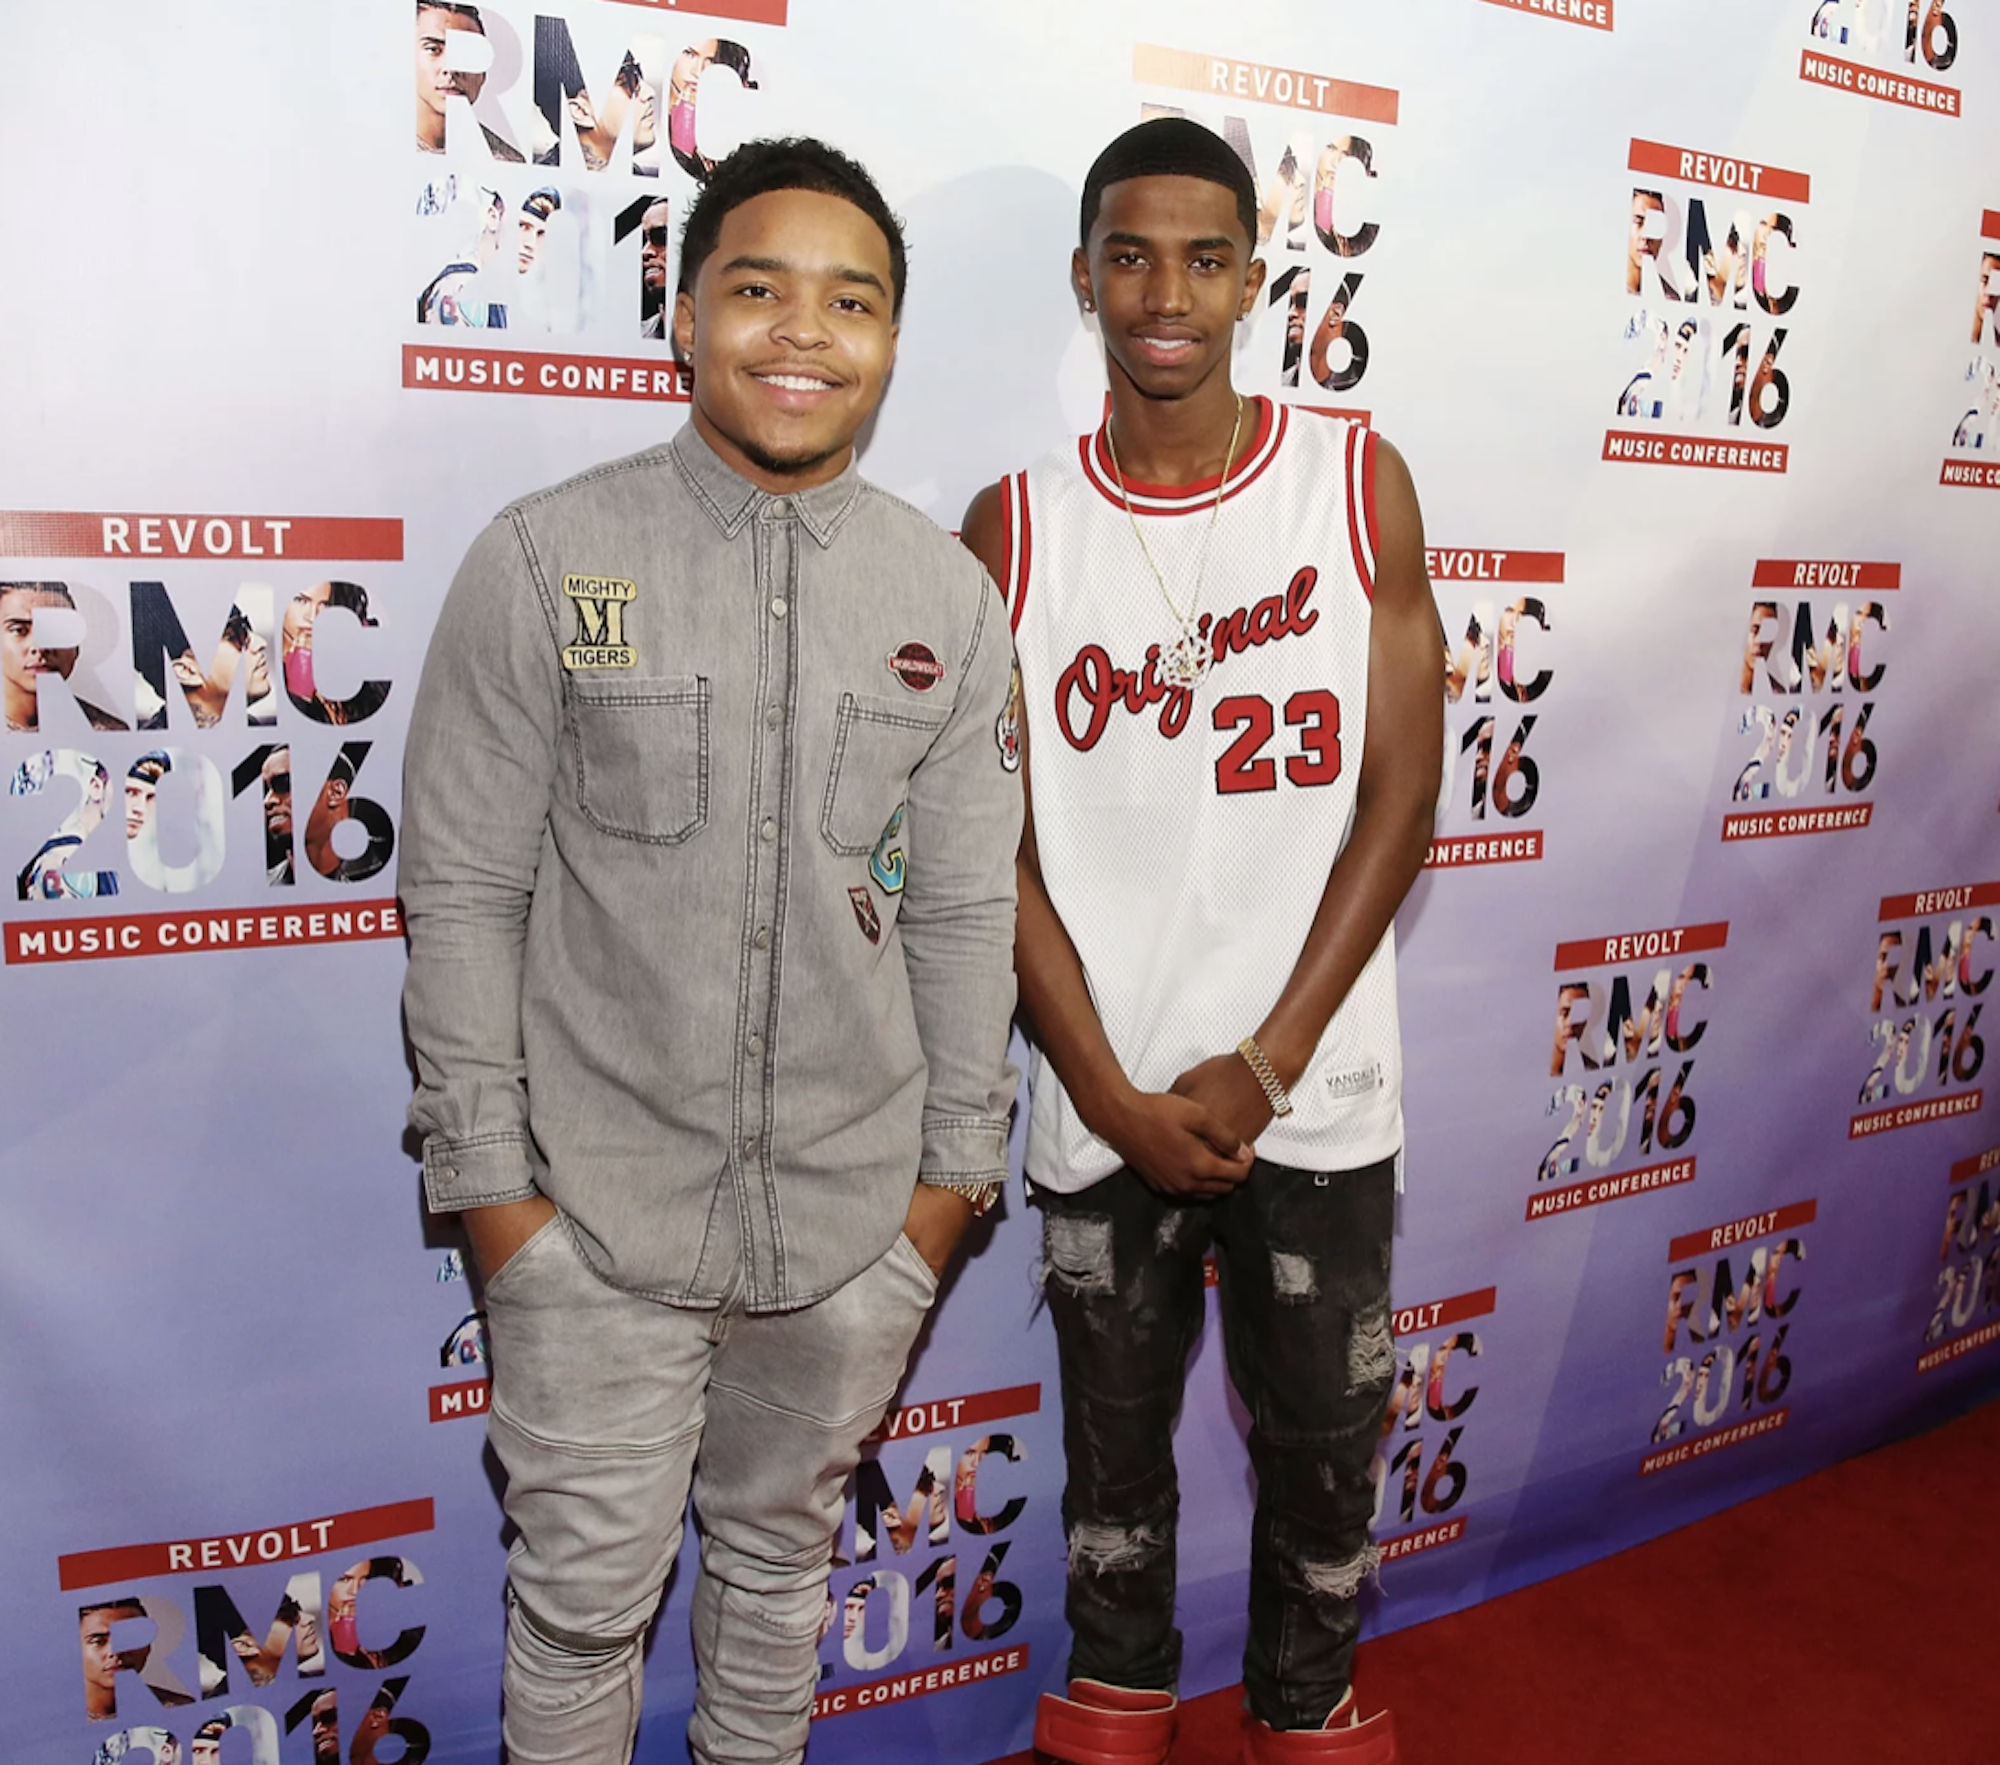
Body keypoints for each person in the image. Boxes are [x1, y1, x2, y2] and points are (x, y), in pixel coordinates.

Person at [399, 135, 1021, 1765]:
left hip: (850, 1225)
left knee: (777, 1580)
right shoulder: (541, 563)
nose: (802, 333)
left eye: (852, 300)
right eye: (759, 289)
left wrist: (945, 1193)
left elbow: (963, 907)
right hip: (589, 1232)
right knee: (583, 1618)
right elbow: (461, 890)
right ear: (683, 318)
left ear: (890, 339)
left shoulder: (944, 599)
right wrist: (499, 1203)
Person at [960, 117, 1439, 1765]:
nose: (1167, 293)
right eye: (1132, 254)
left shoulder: (1353, 482)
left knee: (1325, 1438)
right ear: (1088, 275)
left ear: (1254, 275)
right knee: (1113, 1447)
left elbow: (1402, 792)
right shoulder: (1012, 529)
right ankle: (1121, 1692)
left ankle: (1307, 1705)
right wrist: (1105, 1086)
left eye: (1205, 255)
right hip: (1108, 1107)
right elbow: (989, 849)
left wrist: (1267, 1058)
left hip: (1309, 1088)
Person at [2, 582, 124, 733]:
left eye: (56, 630)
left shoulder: (110, 732)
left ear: (77, 646)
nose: (41, 647)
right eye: (19, 630)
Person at [415, 2, 524, 161]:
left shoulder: (507, 160)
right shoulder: (375, 143)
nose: (451, 68)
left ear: (484, 73)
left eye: (467, 54)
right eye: (433, 49)